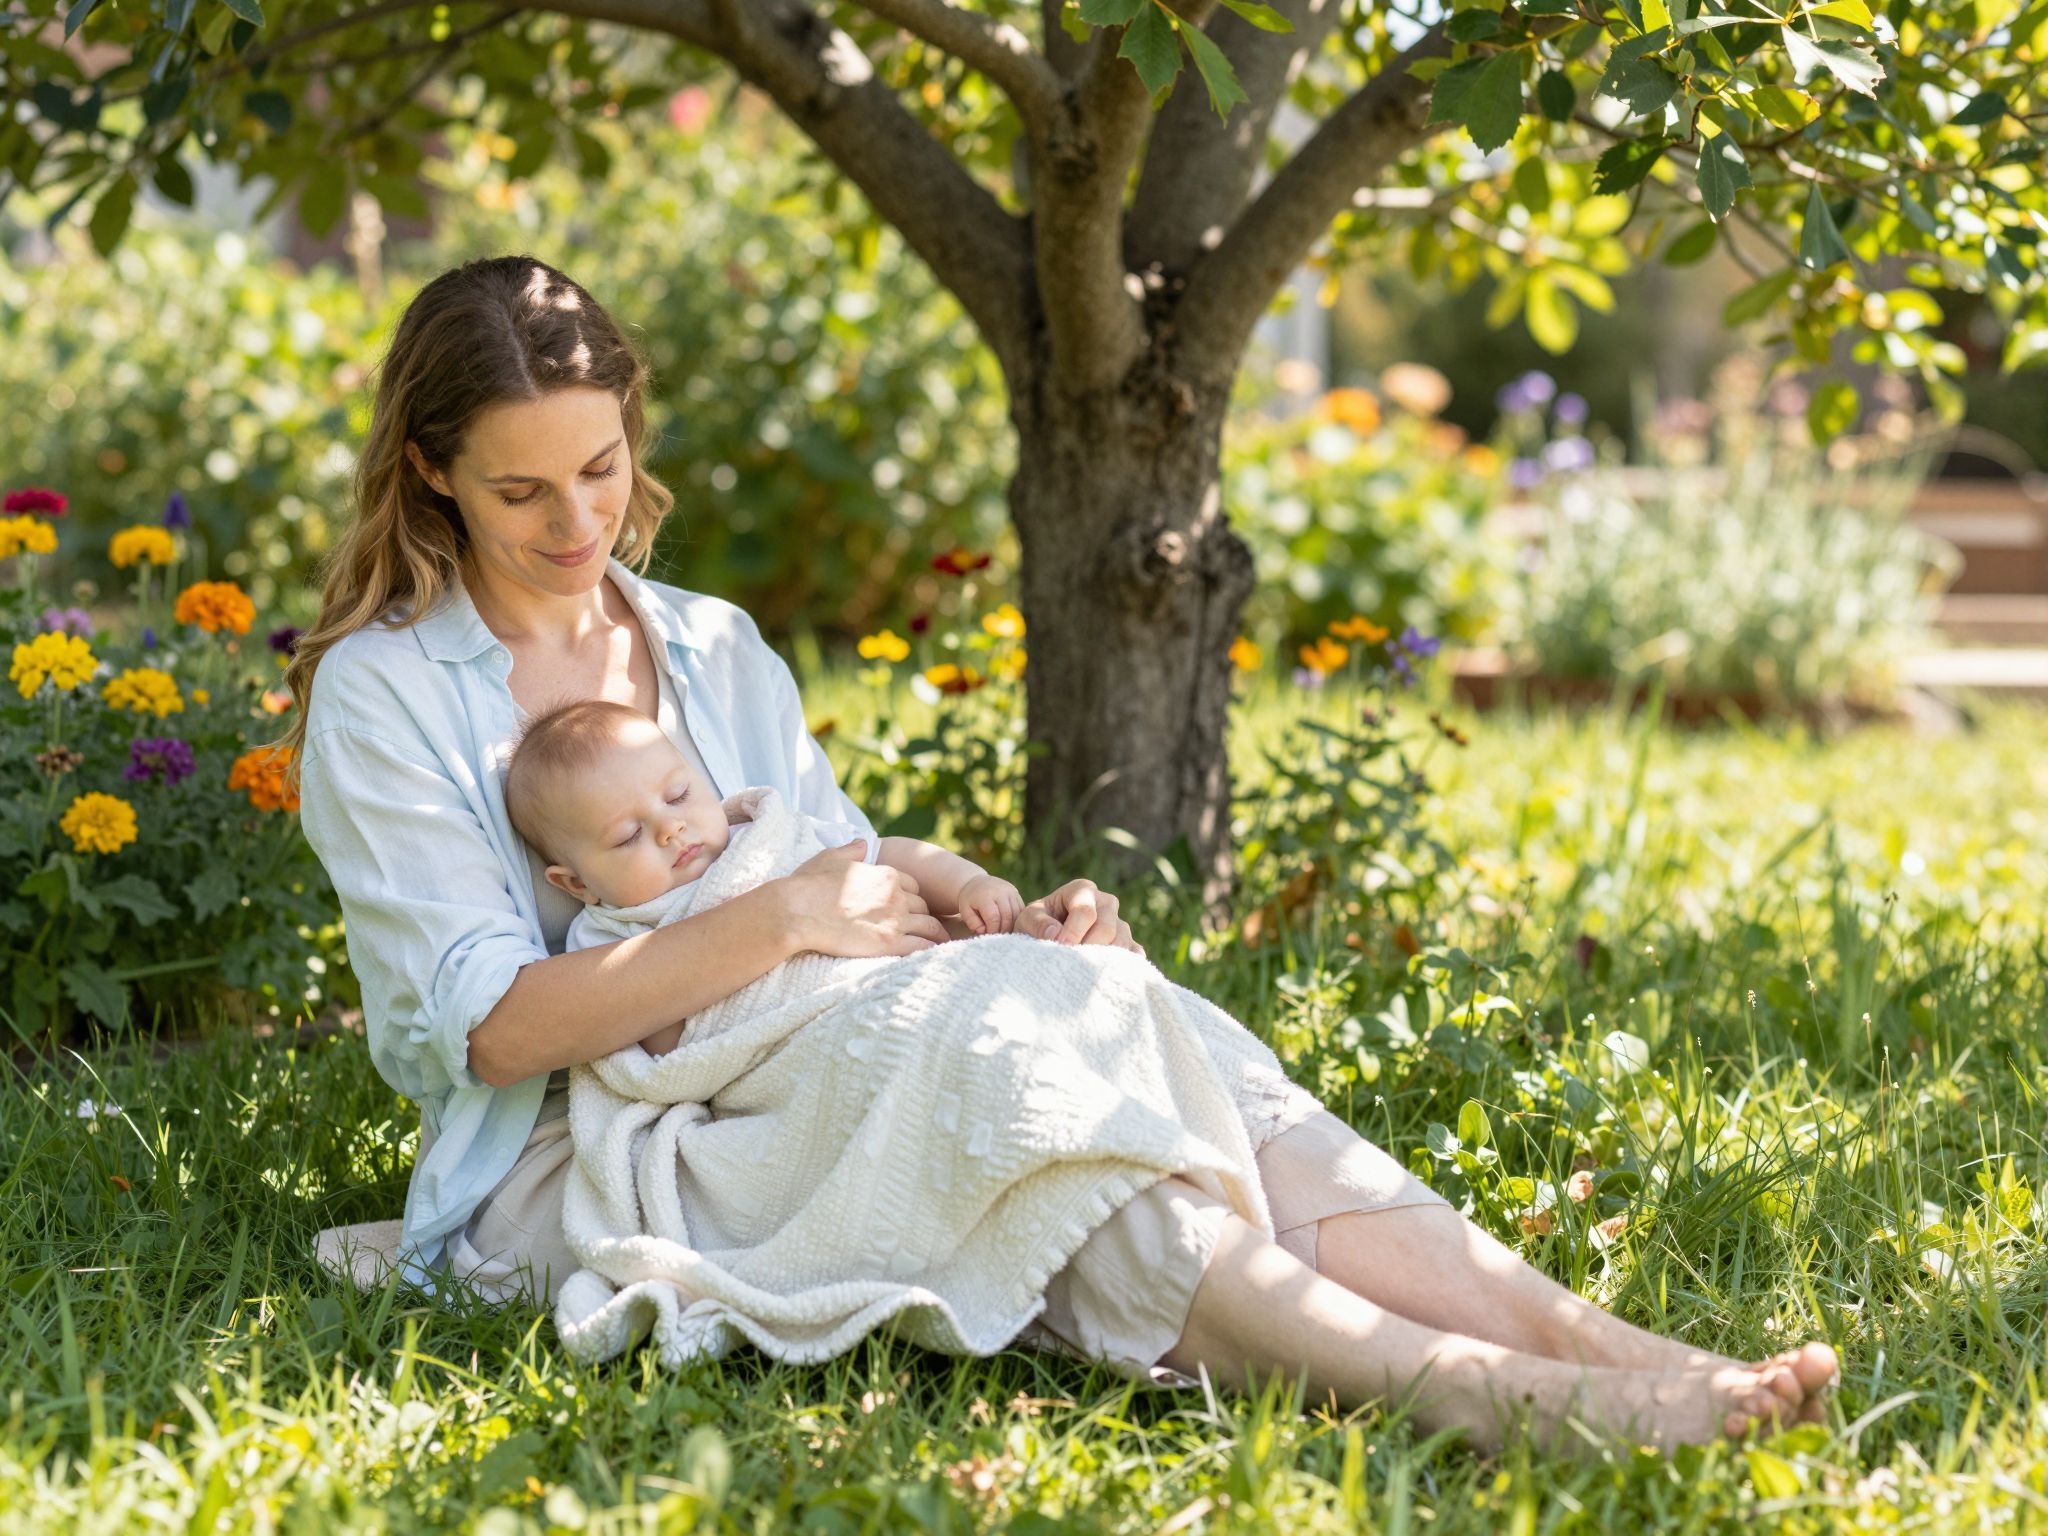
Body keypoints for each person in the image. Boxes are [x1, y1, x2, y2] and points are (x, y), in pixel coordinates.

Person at [289, 255, 1836, 1456]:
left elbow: (833, 880)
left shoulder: (706, 643)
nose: (580, 521)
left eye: (602, 467)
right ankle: (1488, 1399)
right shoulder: (386, 691)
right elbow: (489, 1036)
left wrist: (986, 918)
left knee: (1129, 1023)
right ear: (430, 469)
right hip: (598, 1137)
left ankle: (1596, 1347)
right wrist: (791, 922)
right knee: (1020, 1110)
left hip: (804, 1037)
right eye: (522, 489)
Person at [500, 698, 1025, 1055]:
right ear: (577, 885)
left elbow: (882, 852)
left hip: (893, 982)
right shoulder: (609, 937)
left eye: (679, 795)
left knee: (1010, 995)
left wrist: (968, 885)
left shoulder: (764, 836)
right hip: (801, 1046)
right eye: (627, 835)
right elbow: (662, 1040)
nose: (670, 827)